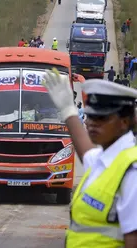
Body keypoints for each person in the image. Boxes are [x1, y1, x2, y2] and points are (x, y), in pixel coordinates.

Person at [43, 69, 137, 247]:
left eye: (101, 117)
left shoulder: (132, 173)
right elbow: (85, 149)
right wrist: (68, 109)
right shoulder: (103, 159)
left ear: (124, 122)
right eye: (90, 115)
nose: (91, 122)